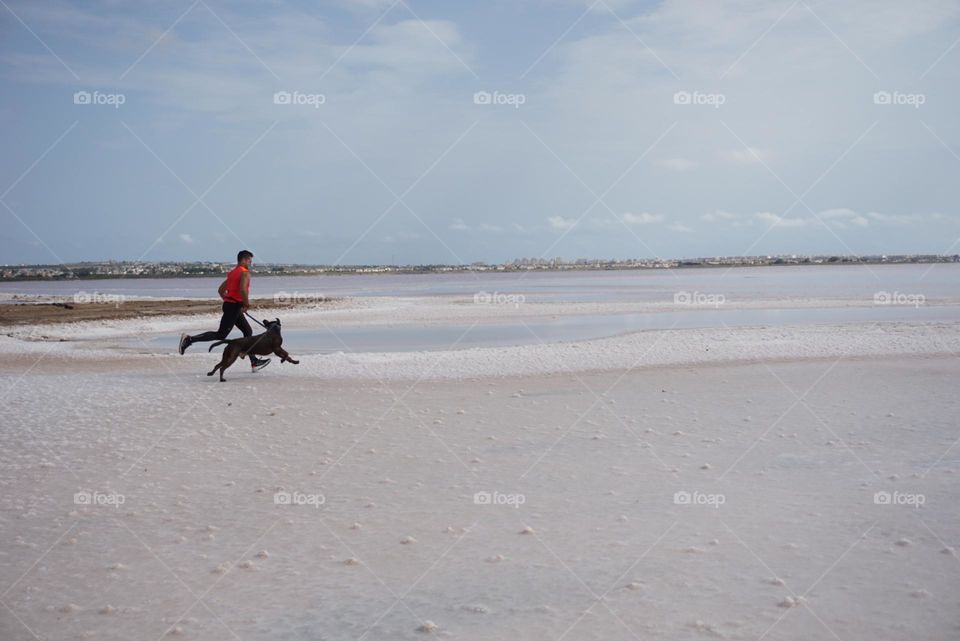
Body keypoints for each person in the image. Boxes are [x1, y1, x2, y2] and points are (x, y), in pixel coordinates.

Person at [178, 250, 270, 371]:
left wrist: (230, 301)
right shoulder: (245, 273)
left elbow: (221, 290)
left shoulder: (232, 273)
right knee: (221, 335)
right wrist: (246, 304)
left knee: (248, 331)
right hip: (233, 307)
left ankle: (254, 362)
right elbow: (242, 290)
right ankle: (189, 339)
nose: (250, 263)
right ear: (243, 259)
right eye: (249, 261)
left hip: (232, 306)